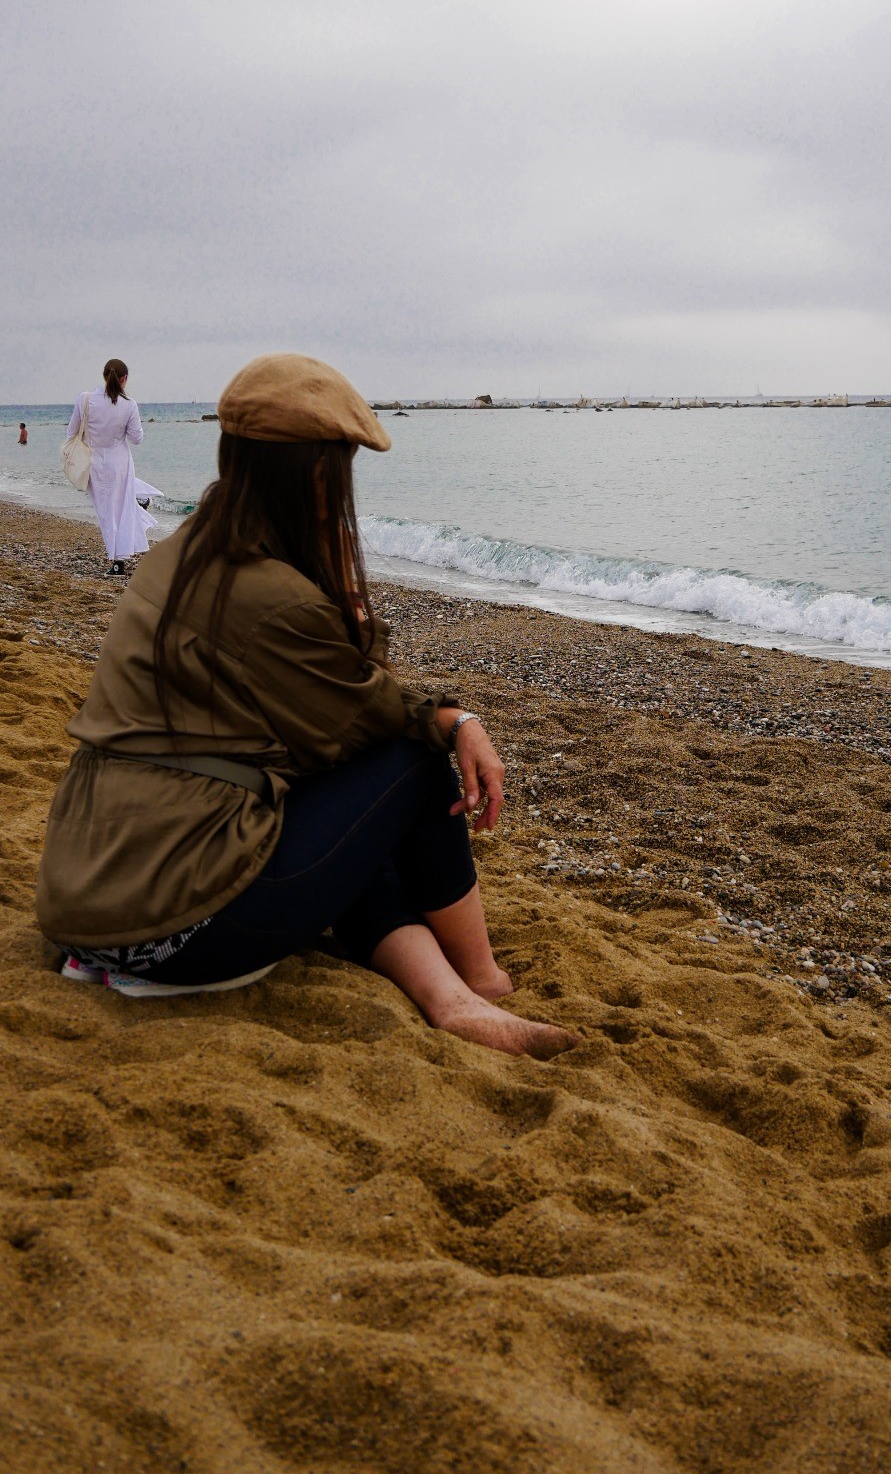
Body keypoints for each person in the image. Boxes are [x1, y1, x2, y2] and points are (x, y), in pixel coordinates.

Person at [36, 353, 577, 1062]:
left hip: (87, 894)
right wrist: (458, 721)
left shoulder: (183, 551)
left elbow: (317, 720)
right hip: (170, 926)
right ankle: (485, 978)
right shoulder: (272, 595)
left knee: (332, 812)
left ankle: (450, 1001)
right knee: (412, 763)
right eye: (340, 465)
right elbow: (371, 714)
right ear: (315, 476)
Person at [66, 359, 155, 577]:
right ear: (124, 379)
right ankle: (138, 504)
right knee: (120, 506)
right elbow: (136, 439)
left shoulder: (85, 399)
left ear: (104, 375)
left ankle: (117, 563)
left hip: (94, 464)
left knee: (108, 513)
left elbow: (72, 432)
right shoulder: (129, 404)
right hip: (120, 463)